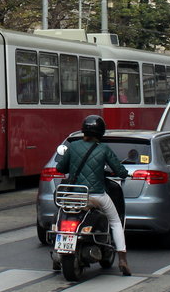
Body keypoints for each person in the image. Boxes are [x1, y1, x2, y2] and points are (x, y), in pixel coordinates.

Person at [54, 114, 131, 276]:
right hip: (96, 195)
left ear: (83, 130)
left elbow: (60, 168)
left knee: (60, 216)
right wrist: (125, 174)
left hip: (72, 195)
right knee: (116, 222)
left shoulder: (73, 146)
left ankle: (57, 252)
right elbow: (120, 171)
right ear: (101, 133)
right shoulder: (103, 149)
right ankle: (122, 259)